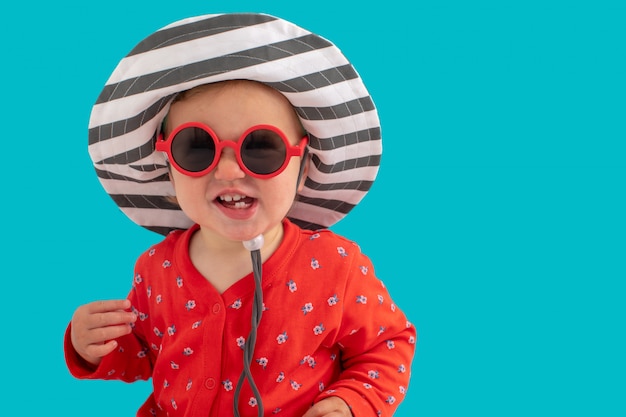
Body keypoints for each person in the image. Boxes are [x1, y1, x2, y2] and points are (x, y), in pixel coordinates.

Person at [65, 13, 416, 417]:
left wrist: (350, 404)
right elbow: (143, 356)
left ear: (303, 170)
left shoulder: (337, 267)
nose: (229, 171)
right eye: (196, 147)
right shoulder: (155, 268)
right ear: (168, 167)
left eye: (261, 148)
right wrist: (91, 345)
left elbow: (387, 346)